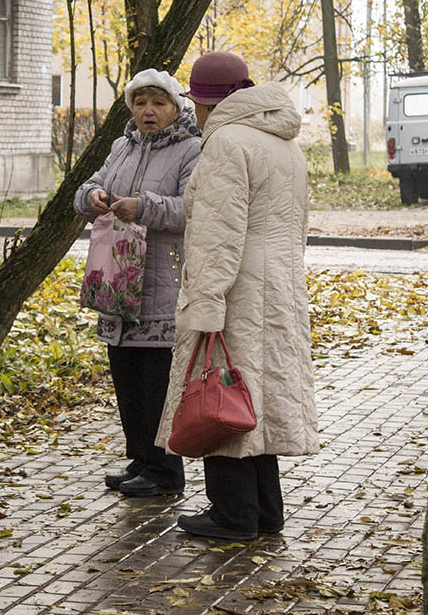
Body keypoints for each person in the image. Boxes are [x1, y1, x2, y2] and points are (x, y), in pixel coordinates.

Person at [155, 51, 318, 540]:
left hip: (238, 289)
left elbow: (216, 232)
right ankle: (266, 510)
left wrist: (205, 301)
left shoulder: (226, 142)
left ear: (206, 103)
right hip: (281, 287)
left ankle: (232, 513)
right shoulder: (283, 143)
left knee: (219, 393)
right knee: (257, 398)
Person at [74, 68, 202, 497]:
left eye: (158, 103)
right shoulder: (121, 145)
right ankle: (140, 459)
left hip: (161, 279)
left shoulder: (191, 150)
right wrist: (90, 196)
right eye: (141, 102)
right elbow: (91, 185)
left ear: (176, 106)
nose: (149, 111)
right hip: (117, 280)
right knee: (125, 373)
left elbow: (191, 209)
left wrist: (143, 206)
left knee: (156, 381)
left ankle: (165, 470)